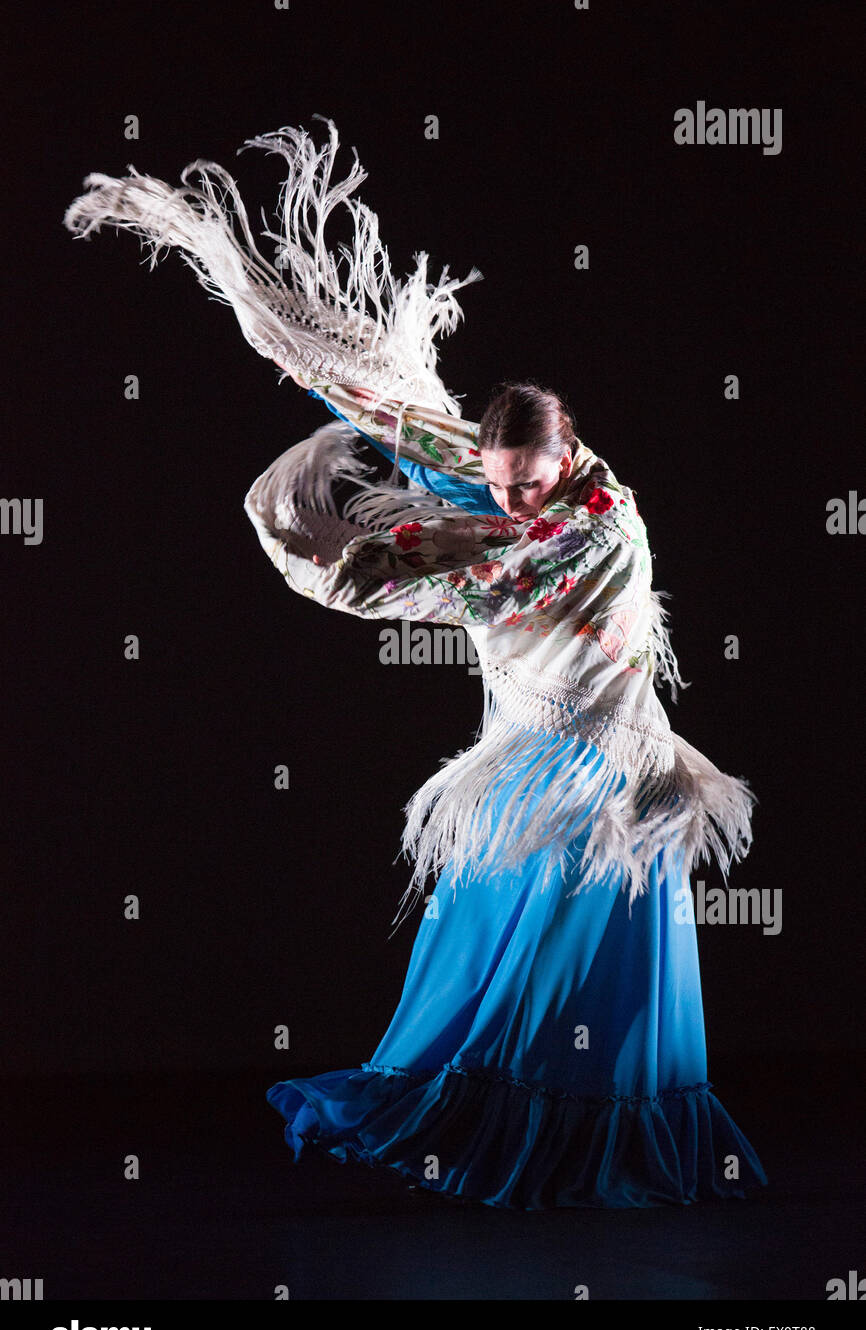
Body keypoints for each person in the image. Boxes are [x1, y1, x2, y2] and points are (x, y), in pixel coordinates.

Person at [63, 116, 768, 1210]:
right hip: (522, 752)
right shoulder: (492, 493)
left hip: (605, 772)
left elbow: (471, 549)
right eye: (497, 479)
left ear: (570, 460)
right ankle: (471, 1115)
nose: (510, 496)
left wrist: (388, 550)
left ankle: (588, 1147)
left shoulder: (588, 526)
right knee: (488, 950)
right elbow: (402, 422)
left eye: (530, 480)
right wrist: (286, 338)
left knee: (590, 970)